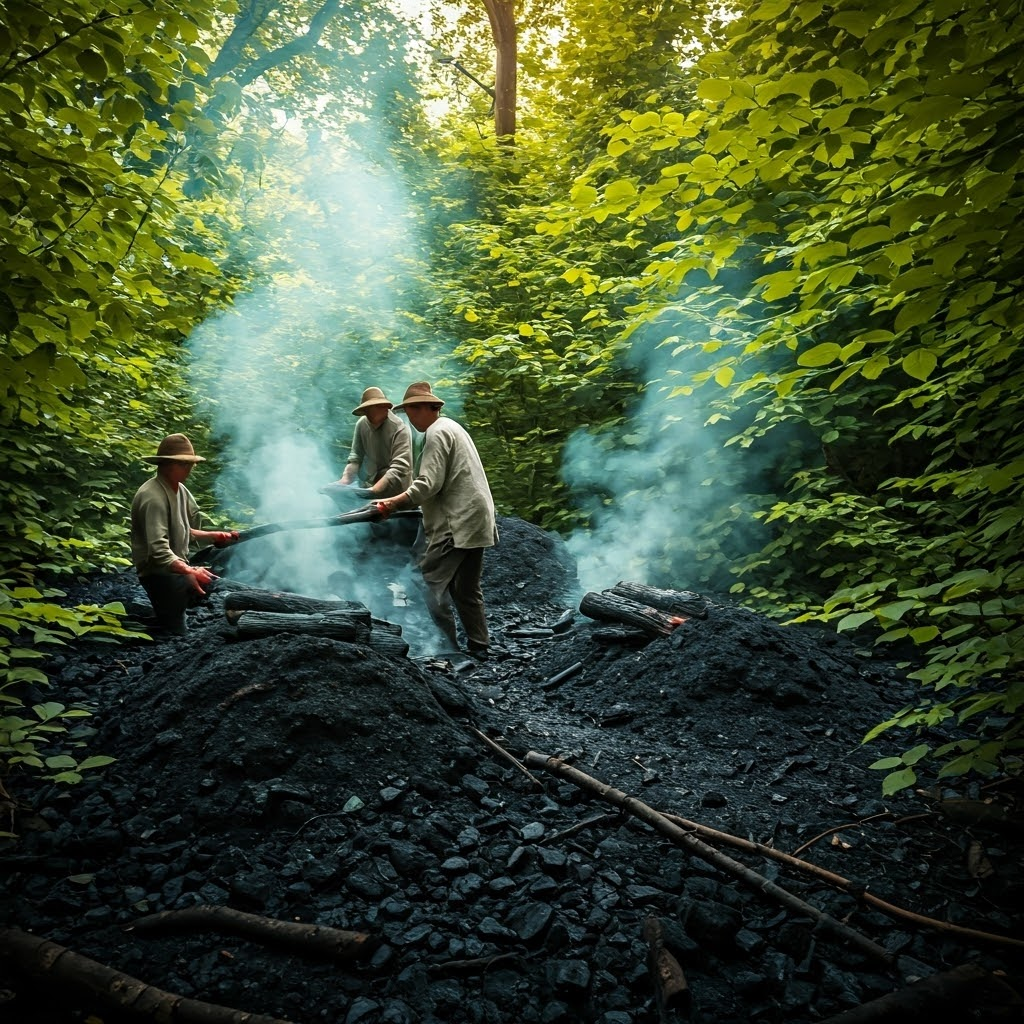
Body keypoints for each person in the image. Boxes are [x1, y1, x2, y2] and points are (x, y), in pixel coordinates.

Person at [374, 382, 498, 659]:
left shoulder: (436, 432)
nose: (409, 419)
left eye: (411, 412)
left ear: (427, 409)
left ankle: (447, 647)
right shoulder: (453, 427)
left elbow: (428, 483)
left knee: (427, 580)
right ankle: (479, 646)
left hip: (458, 521)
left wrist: (393, 502)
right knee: (466, 588)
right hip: (476, 517)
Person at [130, 433, 239, 636]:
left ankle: (157, 620)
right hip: (158, 572)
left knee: (213, 579)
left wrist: (214, 536)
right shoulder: (152, 497)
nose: (189, 469)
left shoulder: (180, 490)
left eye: (190, 464)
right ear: (166, 464)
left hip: (174, 566)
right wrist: (188, 571)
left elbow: (181, 530)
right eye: (183, 464)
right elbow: (159, 550)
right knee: (176, 632)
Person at [326, 386, 413, 500]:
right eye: (366, 410)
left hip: (397, 492)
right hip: (370, 484)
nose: (368, 413)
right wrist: (344, 481)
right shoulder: (362, 424)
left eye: (371, 408)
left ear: (383, 407)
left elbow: (399, 468)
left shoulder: (399, 428)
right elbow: (355, 458)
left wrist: (373, 491)